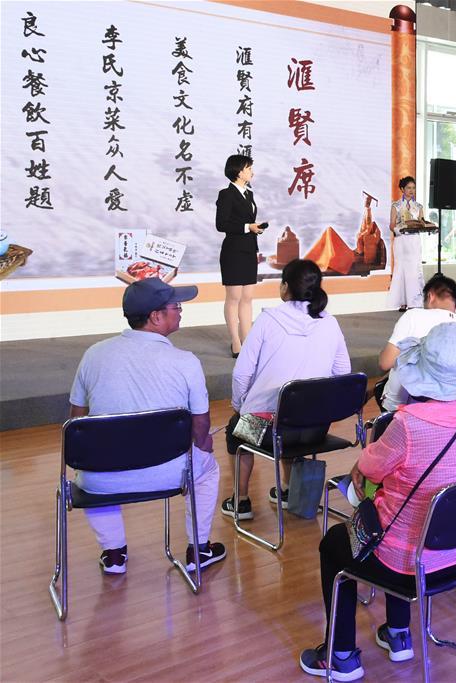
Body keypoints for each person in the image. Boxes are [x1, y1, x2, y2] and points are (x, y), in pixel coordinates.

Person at [299, 323, 456, 680]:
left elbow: (369, 465)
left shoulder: (409, 425)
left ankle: (341, 655)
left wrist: (365, 468)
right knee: (402, 513)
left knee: (336, 543)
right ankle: (397, 633)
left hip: (410, 559)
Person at [68, 278, 225, 574]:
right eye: (175, 307)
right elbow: (201, 426)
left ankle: (114, 554)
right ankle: (198, 549)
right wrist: (202, 444)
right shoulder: (186, 361)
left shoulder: (93, 354)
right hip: (170, 472)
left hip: (102, 478)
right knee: (208, 469)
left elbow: (77, 422)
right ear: (155, 317)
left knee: (92, 469)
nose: (180, 311)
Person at [221, 259, 351, 520]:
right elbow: (343, 374)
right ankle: (290, 491)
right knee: (292, 413)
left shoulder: (268, 320)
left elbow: (242, 372)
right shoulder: (330, 322)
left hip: (272, 431)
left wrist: (240, 406)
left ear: (284, 288)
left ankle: (241, 501)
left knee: (237, 429)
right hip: (316, 429)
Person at [379, 274, 456, 411]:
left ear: (430, 296)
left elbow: (386, 362)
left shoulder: (413, 316)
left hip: (404, 409)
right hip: (449, 410)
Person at [216, 154, 267, 358]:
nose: (251, 172)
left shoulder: (249, 194)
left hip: (248, 250)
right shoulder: (226, 194)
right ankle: (235, 342)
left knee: (247, 297)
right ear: (238, 171)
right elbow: (221, 225)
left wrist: (255, 229)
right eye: (248, 168)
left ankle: (247, 340)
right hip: (233, 251)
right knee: (234, 297)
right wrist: (248, 227)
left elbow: (246, 221)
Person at [387, 176, 425, 312]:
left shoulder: (418, 206)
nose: (411, 190)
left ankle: (415, 301)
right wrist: (400, 229)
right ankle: (402, 302)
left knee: (414, 269)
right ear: (402, 189)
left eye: (413, 188)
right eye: (408, 188)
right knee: (401, 269)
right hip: (401, 240)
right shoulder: (396, 205)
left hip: (414, 240)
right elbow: (391, 224)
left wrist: (424, 225)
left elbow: (422, 221)